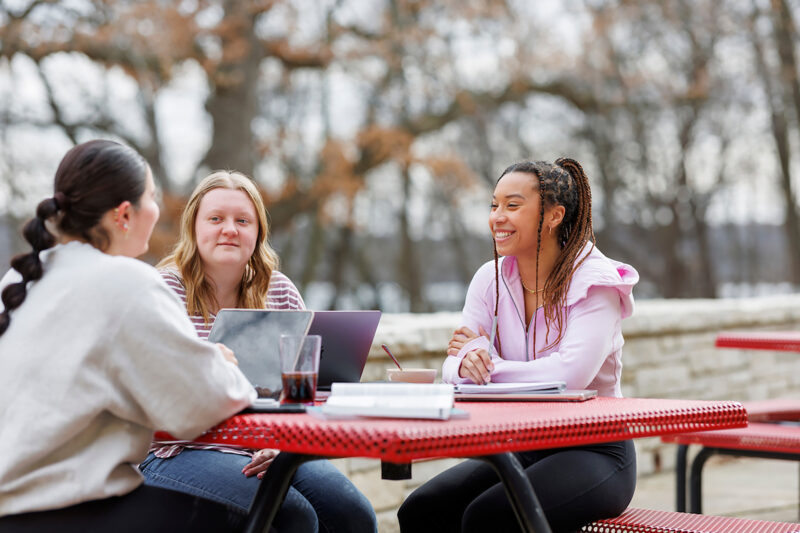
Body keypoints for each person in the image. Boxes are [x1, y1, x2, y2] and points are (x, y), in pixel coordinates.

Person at [0, 140, 257, 532]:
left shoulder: (22, 277)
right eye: (152, 197)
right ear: (124, 214)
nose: (155, 210)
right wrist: (220, 363)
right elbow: (203, 403)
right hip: (73, 508)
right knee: (274, 518)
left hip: (14, 508)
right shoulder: (126, 282)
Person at [397, 158, 640, 533]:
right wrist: (464, 362)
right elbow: (452, 367)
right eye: (494, 205)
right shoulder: (490, 277)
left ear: (553, 216)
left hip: (597, 448)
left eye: (512, 205)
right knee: (421, 509)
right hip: (526, 445)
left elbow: (570, 375)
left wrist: (486, 364)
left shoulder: (597, 282)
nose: (497, 217)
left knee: (489, 518)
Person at [139, 170, 378, 533]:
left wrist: (286, 445)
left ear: (258, 232)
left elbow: (304, 389)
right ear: (193, 228)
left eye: (243, 220)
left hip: (267, 446)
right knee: (293, 515)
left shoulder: (278, 290)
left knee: (353, 513)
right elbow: (149, 393)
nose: (230, 229)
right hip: (177, 450)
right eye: (216, 219)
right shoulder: (164, 290)